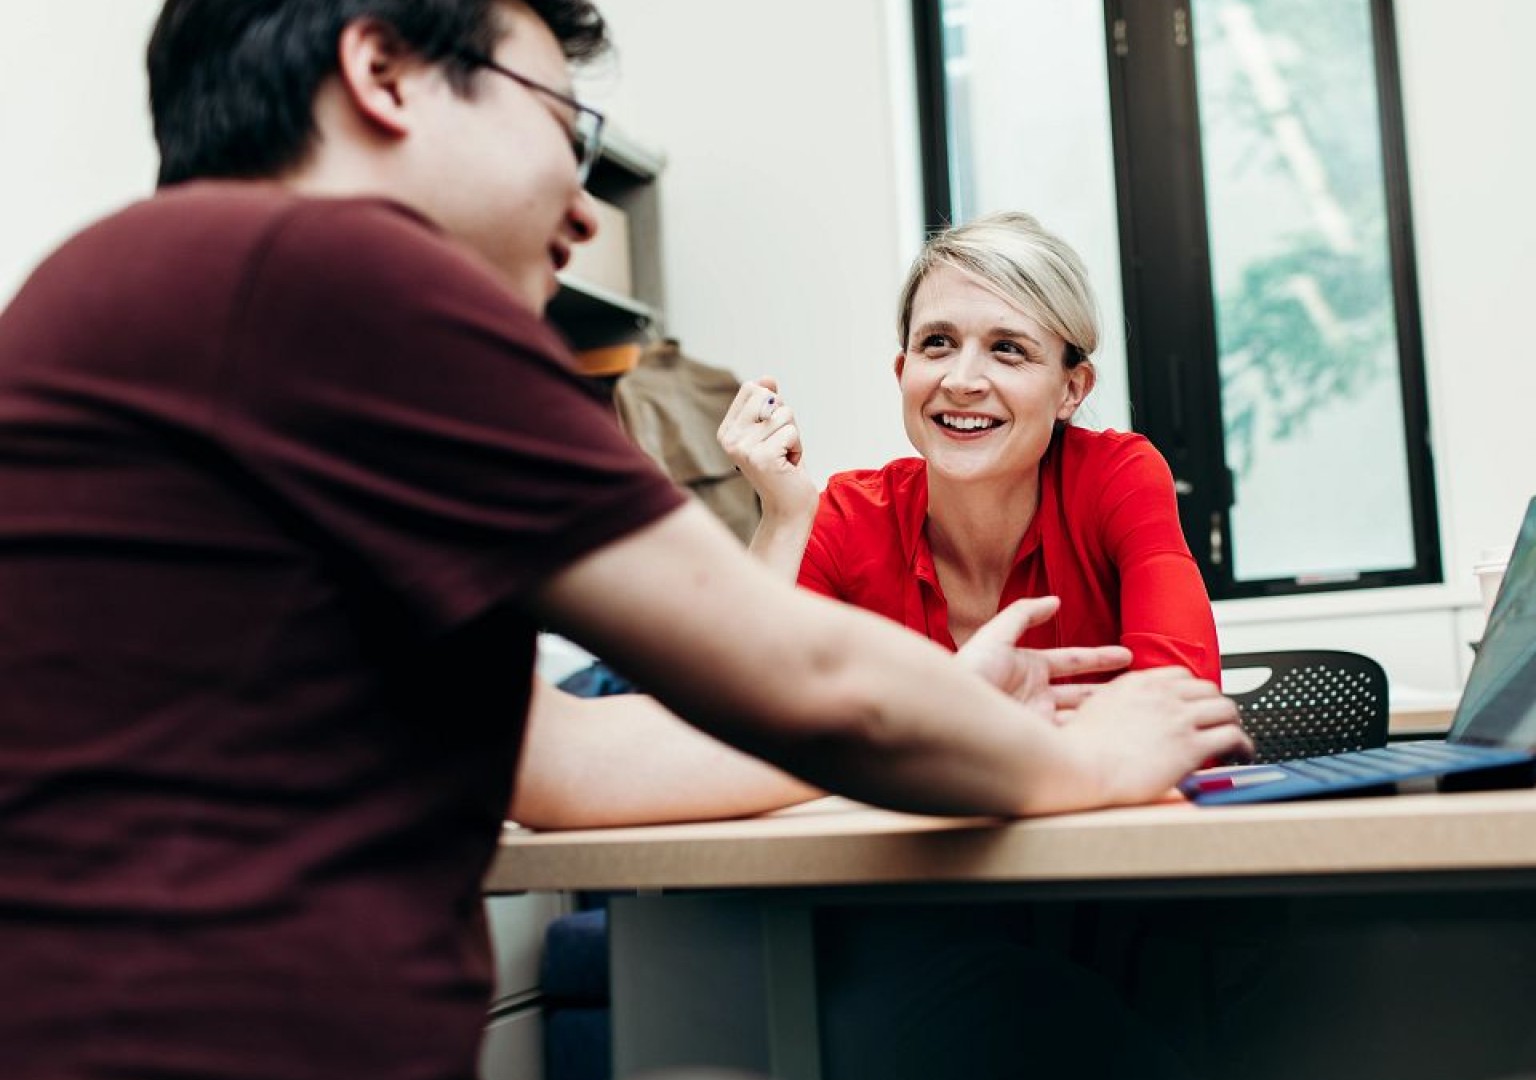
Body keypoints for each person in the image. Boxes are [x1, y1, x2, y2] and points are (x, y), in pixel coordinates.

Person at [0, 3, 1249, 1079]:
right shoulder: (341, 281)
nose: (586, 215)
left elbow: (569, 764)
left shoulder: (137, 290)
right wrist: (1084, 761)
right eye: (563, 124)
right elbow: (814, 683)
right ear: (383, 74)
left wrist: (960, 699)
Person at [719, 211, 1221, 684]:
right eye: (937, 343)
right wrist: (784, 518)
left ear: (1072, 389)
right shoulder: (847, 517)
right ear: (903, 372)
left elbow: (1181, 706)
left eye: (1008, 349)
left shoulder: (1117, 478)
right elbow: (733, 728)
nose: (961, 381)